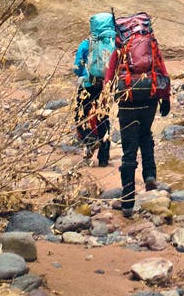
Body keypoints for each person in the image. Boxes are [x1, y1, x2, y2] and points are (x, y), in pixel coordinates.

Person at [106, 12, 171, 217]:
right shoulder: (151, 44)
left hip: (127, 102)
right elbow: (162, 70)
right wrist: (165, 98)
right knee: (146, 136)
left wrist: (107, 101)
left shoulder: (120, 49)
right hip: (149, 100)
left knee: (128, 150)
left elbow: (109, 77)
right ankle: (150, 175)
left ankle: (127, 202)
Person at [72, 12, 115, 166]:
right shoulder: (112, 43)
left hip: (87, 86)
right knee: (103, 119)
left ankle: (90, 140)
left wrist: (81, 72)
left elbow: (77, 67)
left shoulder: (86, 44)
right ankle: (104, 159)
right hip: (106, 86)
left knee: (80, 116)